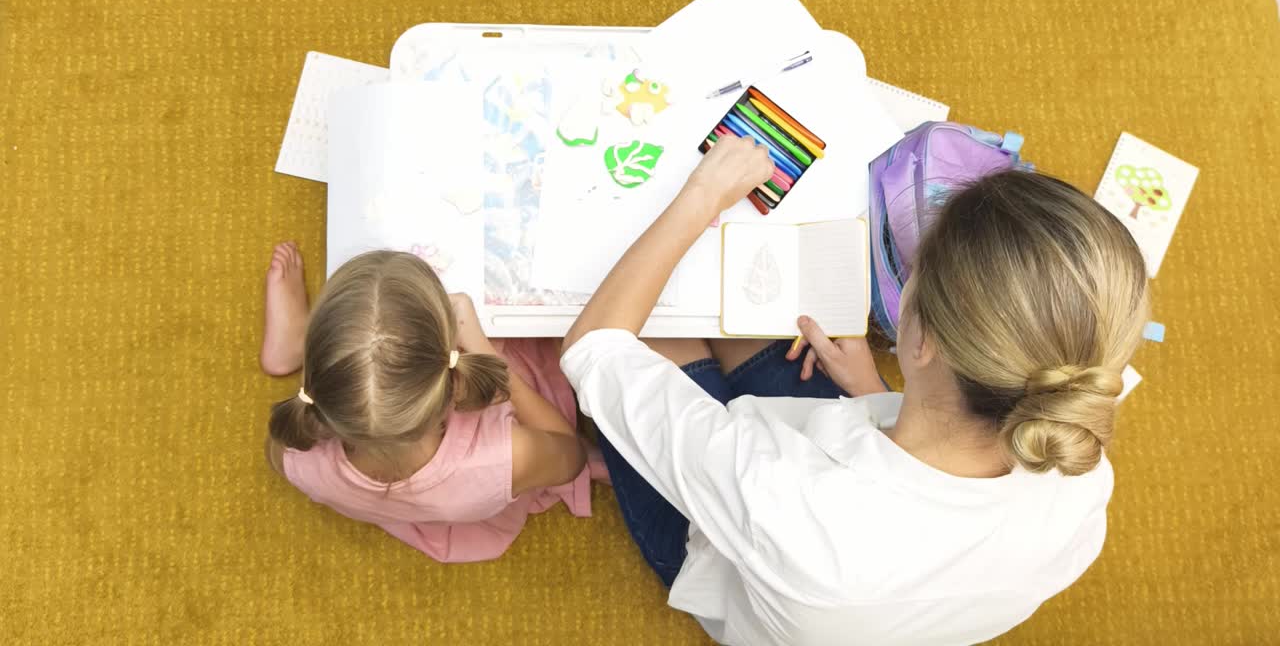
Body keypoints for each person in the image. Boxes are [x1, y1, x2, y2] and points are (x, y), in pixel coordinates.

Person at [560, 135, 1149, 645]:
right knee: (745, 303)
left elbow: (592, 348)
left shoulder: (788, 500)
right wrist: (872, 392)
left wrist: (702, 196)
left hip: (729, 547)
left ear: (923, 345)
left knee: (658, 321)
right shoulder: (1080, 469)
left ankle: (626, 461)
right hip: (827, 522)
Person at [259, 246, 605, 563]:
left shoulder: (296, 457)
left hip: (421, 505)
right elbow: (570, 457)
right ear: (454, 384)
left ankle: (296, 344)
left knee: (365, 367)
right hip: (472, 494)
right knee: (563, 331)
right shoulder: (503, 457)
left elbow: (287, 447)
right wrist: (485, 351)